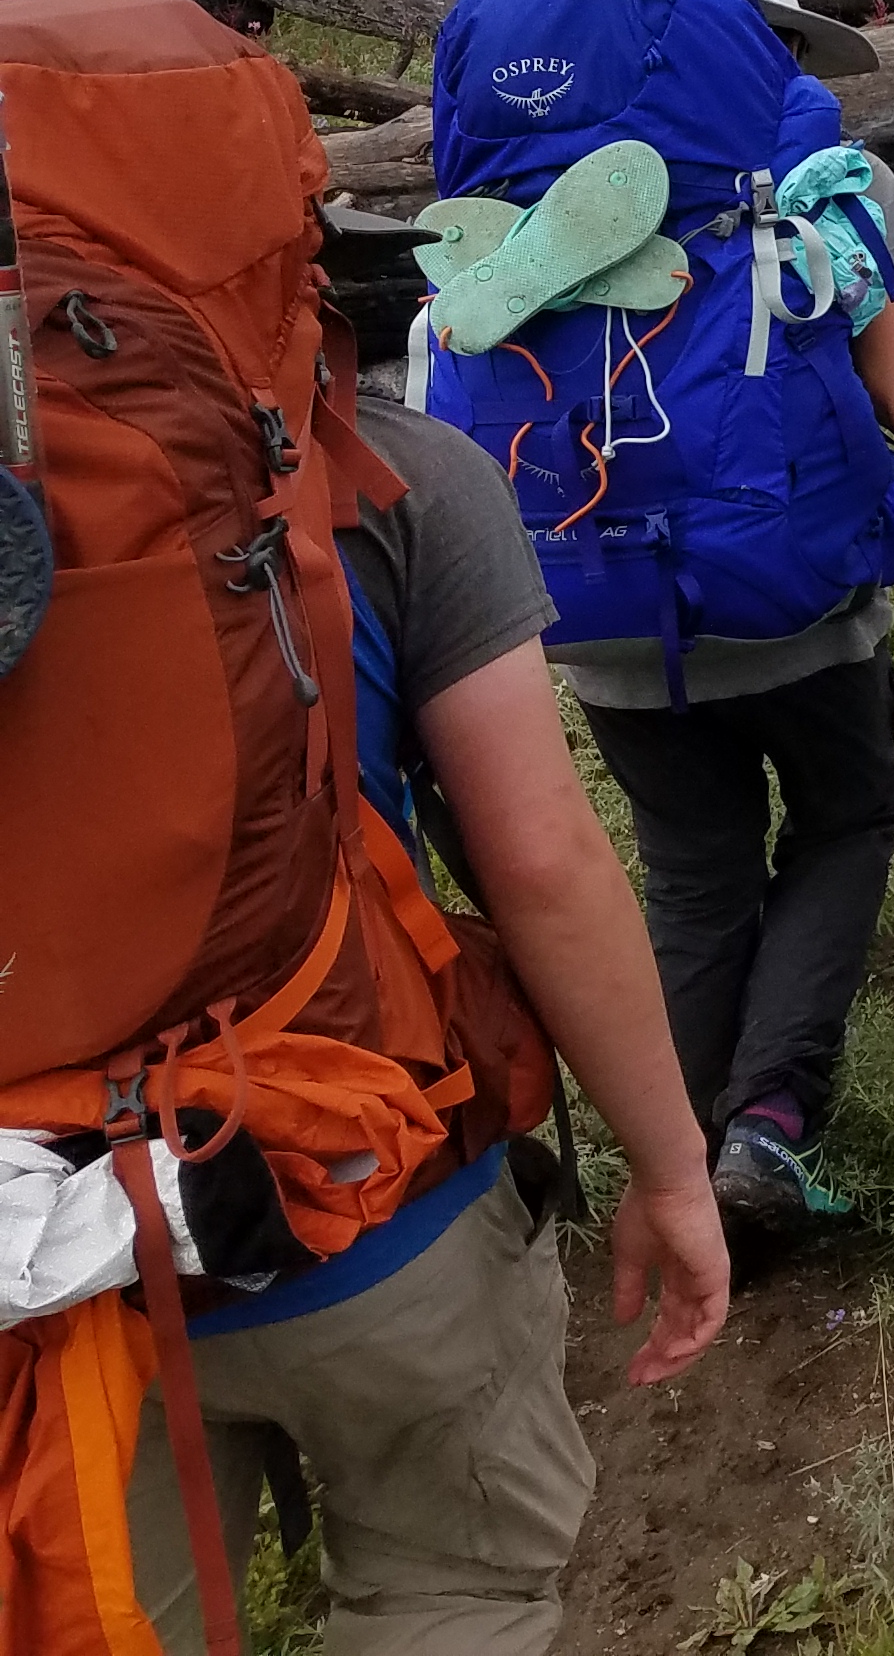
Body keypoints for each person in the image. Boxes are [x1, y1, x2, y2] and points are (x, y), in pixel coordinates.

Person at [127, 398, 736, 1653]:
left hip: (46, 1263)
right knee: (454, 1596)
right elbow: (542, 859)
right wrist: (673, 1170)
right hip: (366, 1191)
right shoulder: (388, 471)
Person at [551, 0, 894, 1243]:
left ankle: (677, 1171)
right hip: (801, 611)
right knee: (846, 816)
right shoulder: (830, 179)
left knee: (694, 874)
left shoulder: (555, 189)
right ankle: (768, 1128)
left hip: (609, 620)